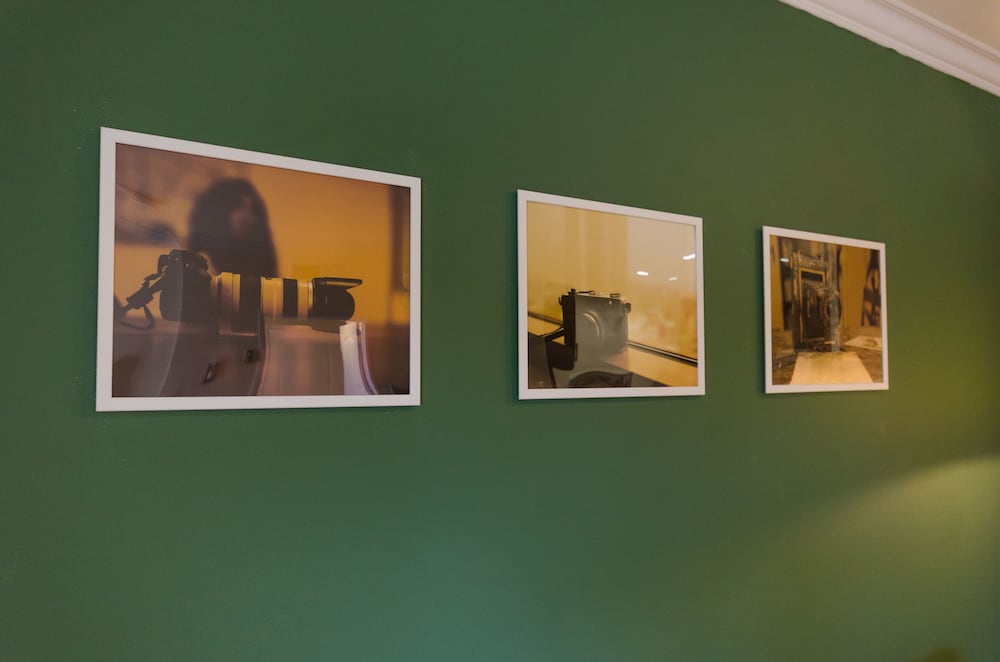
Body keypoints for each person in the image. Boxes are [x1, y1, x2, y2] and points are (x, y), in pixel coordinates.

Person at [187, 178, 278, 276]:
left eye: (253, 210)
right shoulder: (197, 264)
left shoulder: (256, 264)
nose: (250, 219)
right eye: (240, 207)